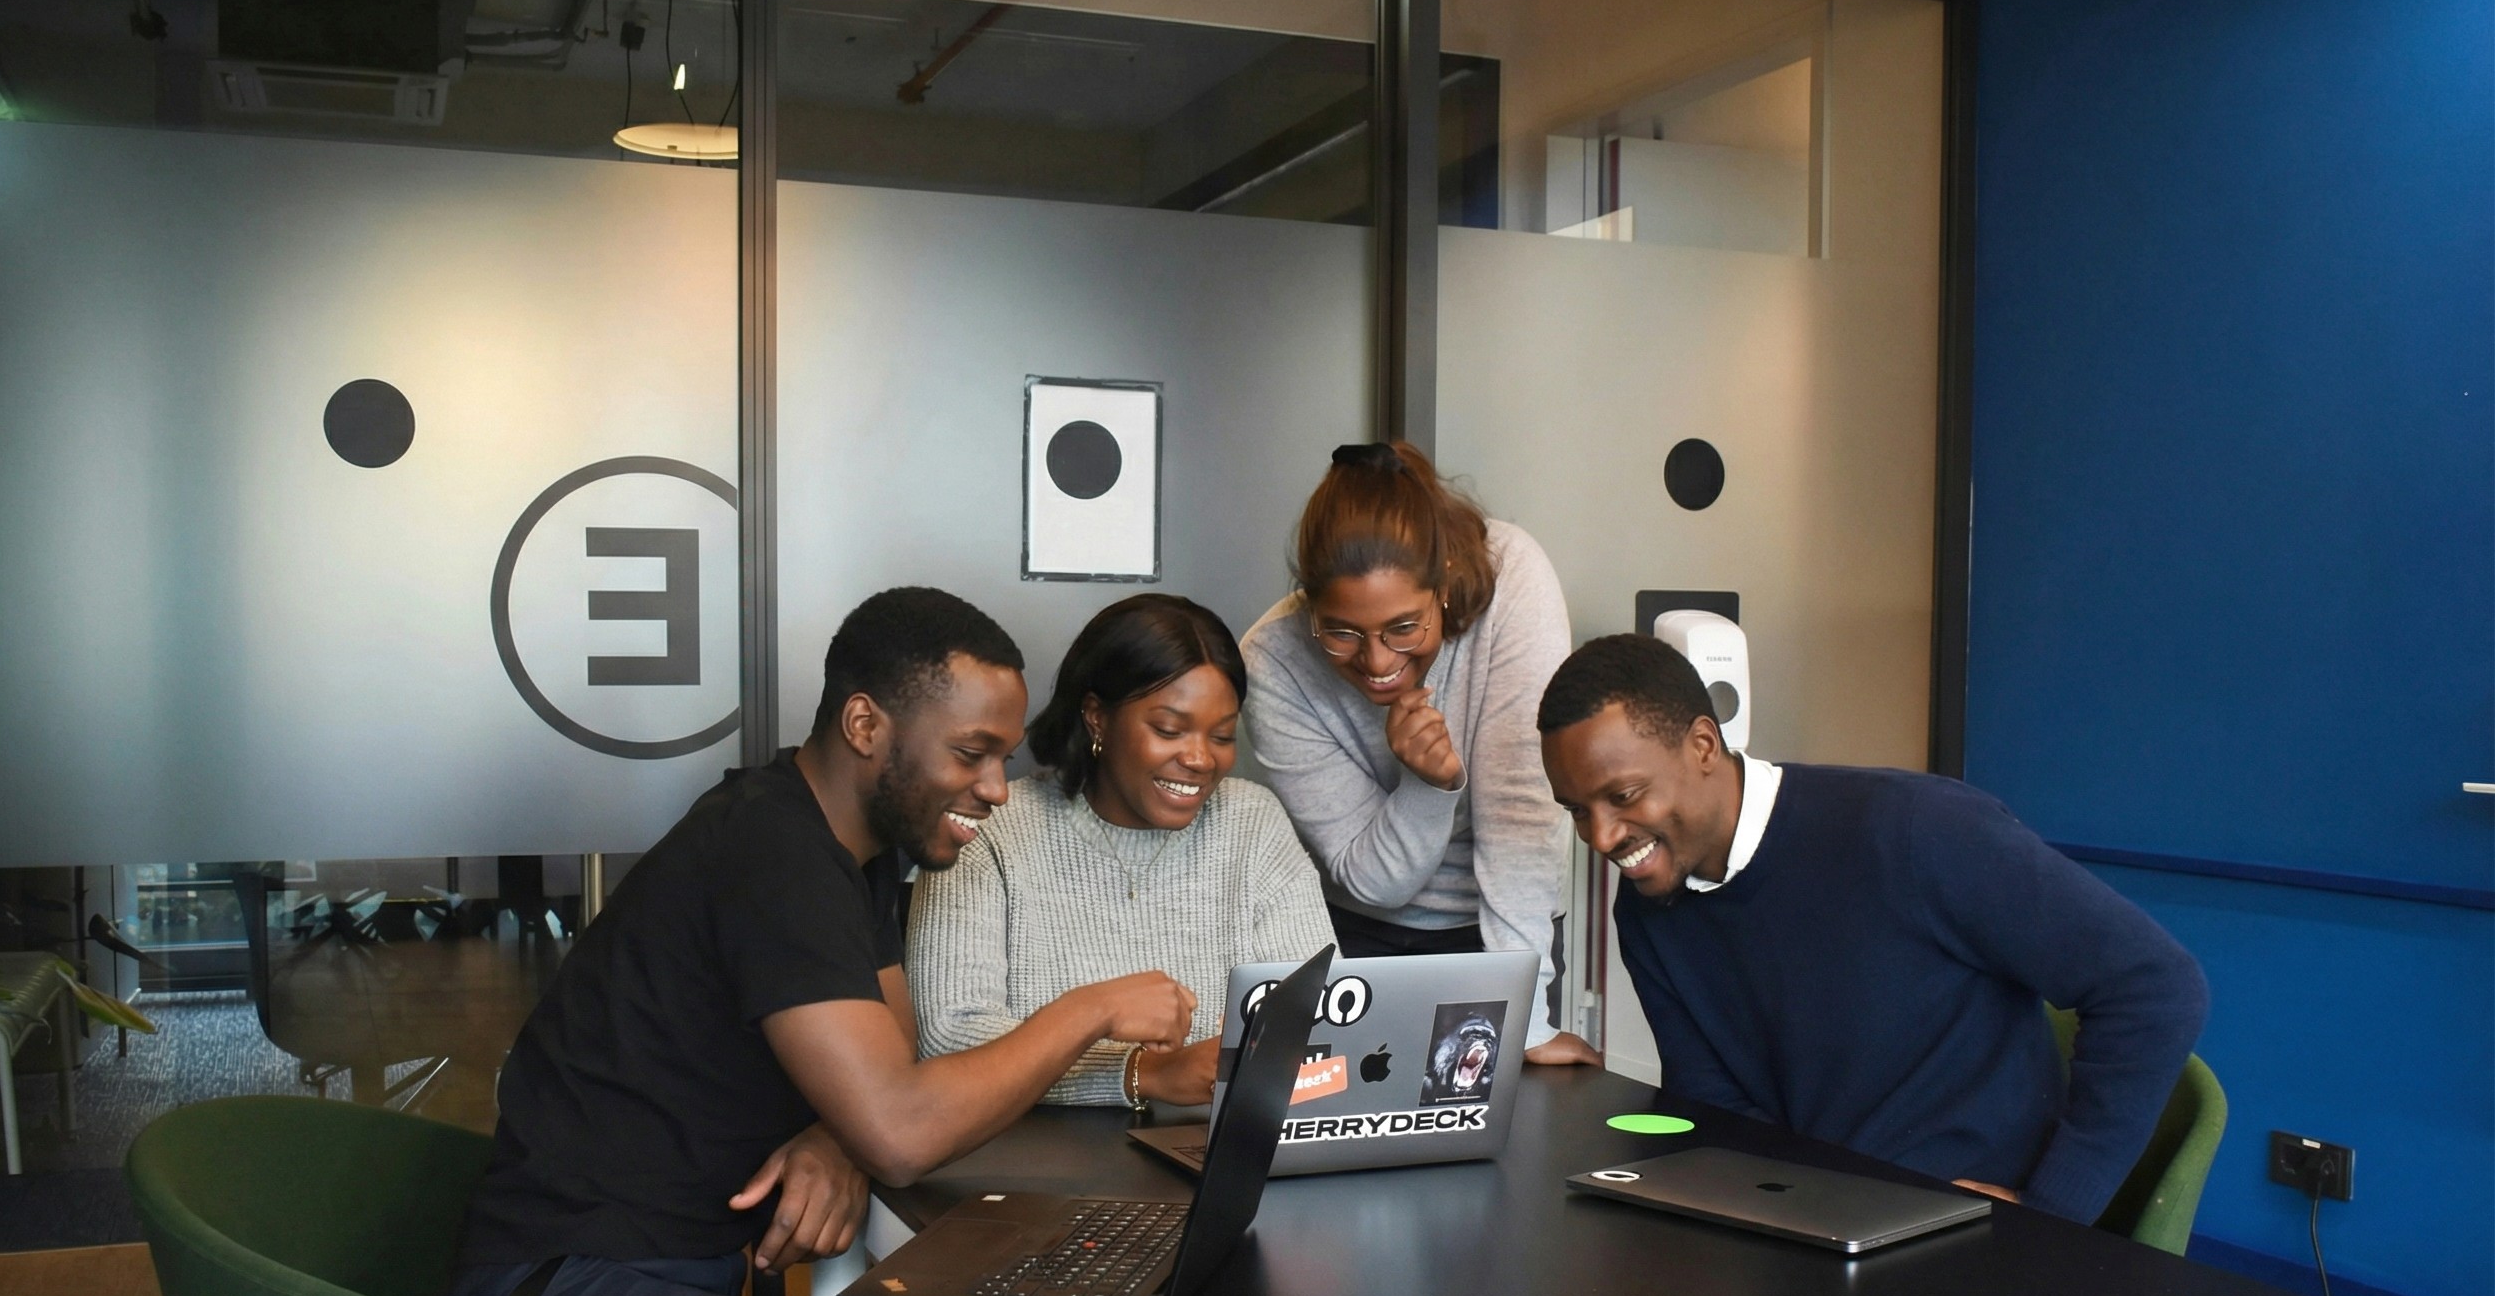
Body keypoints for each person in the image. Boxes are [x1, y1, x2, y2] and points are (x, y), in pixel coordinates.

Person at [438, 587, 1195, 1296]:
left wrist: (842, 1133)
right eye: (972, 753)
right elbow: (904, 1132)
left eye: (1003, 758)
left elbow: (890, 1059)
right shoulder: (773, 853)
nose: (997, 789)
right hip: (557, 1295)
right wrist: (1085, 1012)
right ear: (866, 726)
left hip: (650, 1281)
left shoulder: (846, 849)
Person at [1535, 633, 2209, 1222]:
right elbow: (1716, 1107)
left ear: (1704, 745)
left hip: (1978, 1247)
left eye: (1622, 797)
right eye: (1576, 810)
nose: (1600, 835)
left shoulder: (1914, 831)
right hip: (1824, 1230)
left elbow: (2154, 986)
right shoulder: (1649, 908)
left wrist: (2052, 1215)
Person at [1240, 440, 1595, 1065]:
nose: (1378, 663)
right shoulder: (1273, 663)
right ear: (1309, 604)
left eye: (1405, 627)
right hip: (1357, 937)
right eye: (1342, 632)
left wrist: (1526, 1023)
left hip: (1507, 935)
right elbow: (1374, 880)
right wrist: (1428, 786)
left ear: (1447, 585)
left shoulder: (1512, 575)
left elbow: (1522, 816)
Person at [909, 594, 1335, 1108]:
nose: (1201, 759)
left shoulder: (1251, 823)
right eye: (1168, 730)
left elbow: (1324, 1021)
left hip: (1212, 1154)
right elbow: (951, 1039)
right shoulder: (989, 828)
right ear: (1096, 718)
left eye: (1222, 735)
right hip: (1031, 1163)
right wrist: (1142, 1072)